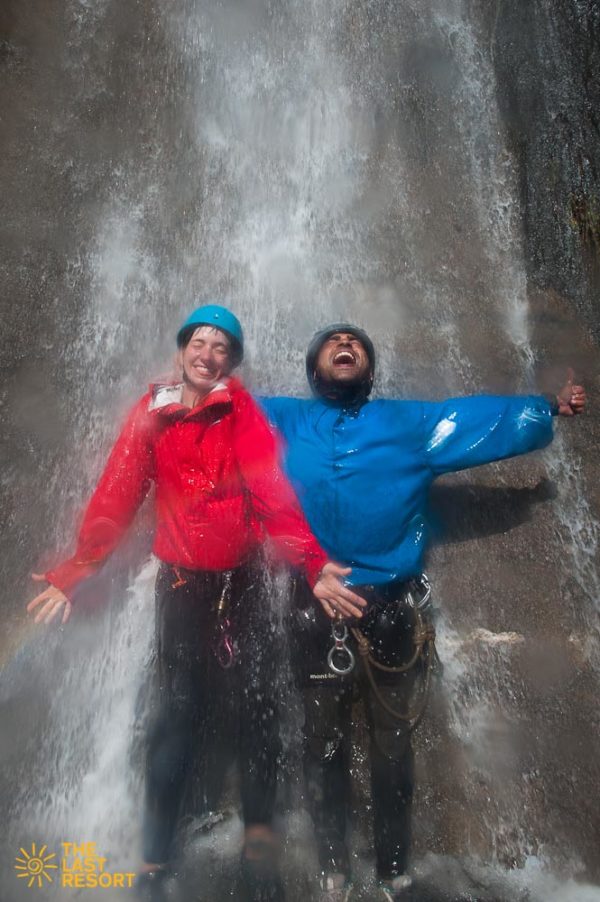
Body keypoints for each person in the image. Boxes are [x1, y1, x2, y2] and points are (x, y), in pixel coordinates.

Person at [26, 305, 364, 902]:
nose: (208, 355)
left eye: (221, 348)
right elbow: (118, 492)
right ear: (181, 352)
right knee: (176, 710)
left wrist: (311, 565)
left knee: (258, 711)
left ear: (231, 361)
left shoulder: (242, 412)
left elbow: (271, 489)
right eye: (199, 344)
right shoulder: (152, 414)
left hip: (245, 583)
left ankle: (259, 857)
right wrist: (74, 572)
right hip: (182, 584)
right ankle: (154, 860)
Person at [259, 324, 586, 902]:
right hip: (313, 606)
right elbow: (218, 409)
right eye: (333, 342)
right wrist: (175, 393)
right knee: (323, 746)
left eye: (356, 342)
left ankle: (392, 870)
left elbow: (476, 421)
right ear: (313, 369)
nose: (346, 345)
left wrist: (545, 408)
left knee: (393, 748)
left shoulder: (407, 424)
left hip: (390, 609)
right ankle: (333, 866)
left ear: (369, 365)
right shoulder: (282, 419)